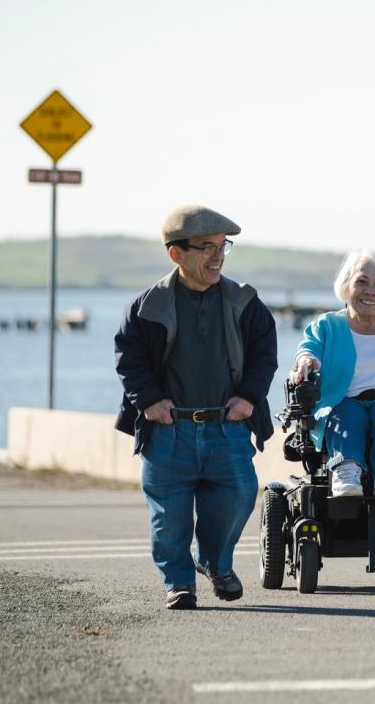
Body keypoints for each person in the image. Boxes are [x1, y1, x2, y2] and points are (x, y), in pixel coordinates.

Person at [115, 206, 279, 610]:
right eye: (206, 248)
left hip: (227, 426)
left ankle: (215, 562)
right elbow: (128, 357)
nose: (218, 256)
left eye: (223, 247)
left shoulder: (245, 301)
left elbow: (264, 353)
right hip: (169, 429)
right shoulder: (146, 306)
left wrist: (249, 397)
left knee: (240, 495)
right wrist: (149, 401)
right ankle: (179, 583)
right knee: (169, 517)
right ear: (177, 254)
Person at [290, 250, 375, 498]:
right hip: (343, 400)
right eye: (361, 282)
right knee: (346, 416)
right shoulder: (327, 325)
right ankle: (346, 472)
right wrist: (306, 360)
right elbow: (309, 348)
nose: (370, 291)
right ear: (347, 285)